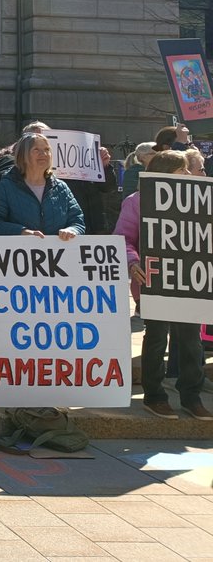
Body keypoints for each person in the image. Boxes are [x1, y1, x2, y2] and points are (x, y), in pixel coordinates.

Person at [115, 150, 210, 419]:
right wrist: (134, 264)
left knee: (191, 341)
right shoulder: (136, 202)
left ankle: (192, 397)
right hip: (153, 280)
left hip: (189, 281)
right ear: (165, 173)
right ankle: (155, 395)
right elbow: (123, 238)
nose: (189, 176)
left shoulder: (197, 201)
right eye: (183, 171)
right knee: (157, 338)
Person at [0, 132, 85, 241]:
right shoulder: (6, 187)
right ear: (23, 156)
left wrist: (72, 230)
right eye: (36, 150)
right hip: (20, 254)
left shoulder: (61, 188)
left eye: (47, 150)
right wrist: (22, 232)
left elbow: (77, 221)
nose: (43, 154)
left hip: (58, 256)